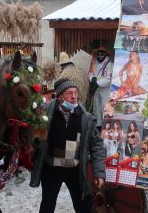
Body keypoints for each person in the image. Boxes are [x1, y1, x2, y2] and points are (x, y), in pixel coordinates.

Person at [30, 79, 105, 213]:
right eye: (69, 93)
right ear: (59, 97)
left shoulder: (85, 118)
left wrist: (99, 172)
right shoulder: (45, 113)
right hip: (51, 169)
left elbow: (96, 145)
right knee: (47, 205)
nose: (74, 96)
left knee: (84, 206)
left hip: (75, 170)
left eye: (76, 93)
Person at [88, 46, 113, 129]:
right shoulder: (94, 63)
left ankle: (106, 126)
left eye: (102, 54)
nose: (100, 56)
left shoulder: (110, 64)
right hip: (96, 89)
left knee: (104, 107)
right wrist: (92, 79)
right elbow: (90, 73)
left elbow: (110, 79)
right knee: (96, 107)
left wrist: (98, 82)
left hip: (105, 89)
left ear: (105, 55)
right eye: (98, 54)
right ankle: (98, 125)